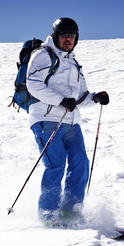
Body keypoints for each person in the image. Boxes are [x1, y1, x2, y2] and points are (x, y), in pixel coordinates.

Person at [26, 17, 109, 226]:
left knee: (80, 161)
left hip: (71, 121)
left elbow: (80, 96)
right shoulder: (43, 55)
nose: (68, 39)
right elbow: (33, 84)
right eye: (64, 35)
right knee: (56, 164)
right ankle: (48, 215)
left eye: (72, 36)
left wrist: (95, 97)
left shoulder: (73, 62)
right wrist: (61, 100)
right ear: (55, 36)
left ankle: (71, 211)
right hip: (46, 119)